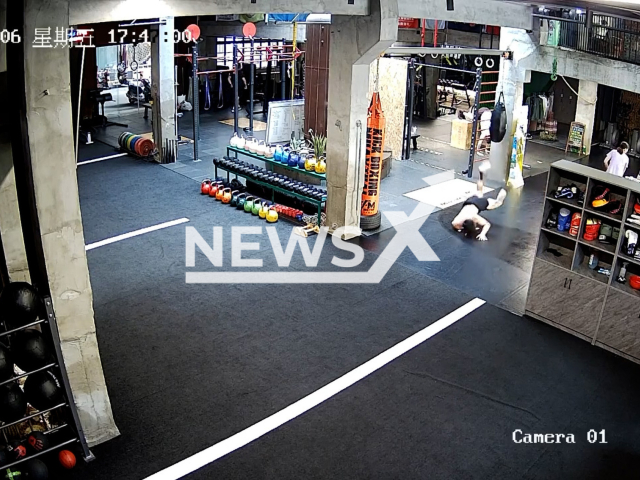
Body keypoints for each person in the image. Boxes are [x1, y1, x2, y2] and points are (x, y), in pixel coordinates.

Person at [451, 161, 507, 241]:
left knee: (498, 203)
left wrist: (482, 234)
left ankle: (504, 191)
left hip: (478, 204)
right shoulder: (456, 221)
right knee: (479, 191)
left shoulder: (472, 217)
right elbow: (456, 225)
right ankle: (481, 172)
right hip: (470, 200)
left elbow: (487, 224)